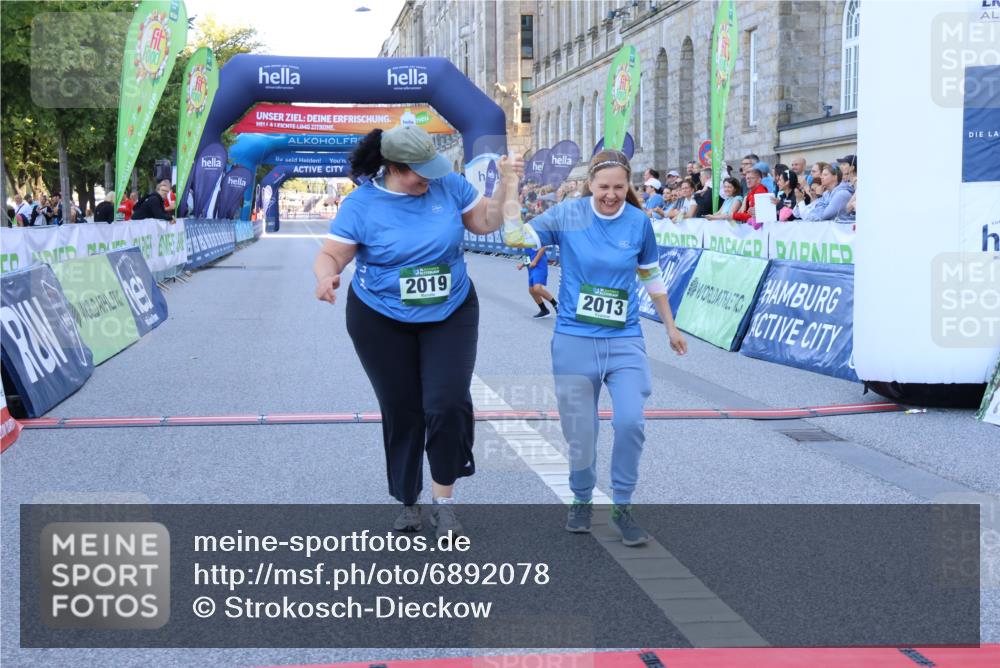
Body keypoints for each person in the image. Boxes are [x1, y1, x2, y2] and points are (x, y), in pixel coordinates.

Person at [313, 124, 515, 539]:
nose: (428, 178)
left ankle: (444, 503)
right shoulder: (361, 205)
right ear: (392, 167)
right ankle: (409, 500)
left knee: (446, 402)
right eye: (417, 172)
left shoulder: (449, 186)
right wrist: (326, 277)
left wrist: (507, 185)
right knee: (403, 410)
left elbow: (485, 222)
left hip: (451, 309)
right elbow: (331, 255)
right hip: (380, 317)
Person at [498, 149, 688, 546]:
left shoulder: (638, 222)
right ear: (590, 185)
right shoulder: (568, 214)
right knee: (581, 433)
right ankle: (582, 498)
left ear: (628, 186)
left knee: (630, 422)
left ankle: (623, 506)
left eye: (620, 187)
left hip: (623, 340)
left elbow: (652, 278)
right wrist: (511, 184)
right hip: (574, 339)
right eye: (604, 187)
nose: (612, 195)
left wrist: (671, 327)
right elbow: (514, 236)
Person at [518, 244, 558, 318]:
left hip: (539, 265)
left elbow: (543, 247)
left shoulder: (535, 235)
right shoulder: (525, 240)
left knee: (537, 288)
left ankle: (556, 305)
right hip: (531, 268)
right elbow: (528, 256)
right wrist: (522, 265)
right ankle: (544, 310)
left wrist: (535, 261)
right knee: (532, 290)